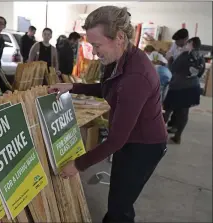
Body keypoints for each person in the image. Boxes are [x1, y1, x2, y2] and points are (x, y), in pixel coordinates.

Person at [48, 6, 167, 223]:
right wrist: (72, 87)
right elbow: (106, 89)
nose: (94, 51)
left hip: (144, 145)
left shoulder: (136, 76)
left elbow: (115, 141)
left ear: (119, 37)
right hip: (129, 140)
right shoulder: (120, 59)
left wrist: (78, 165)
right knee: (119, 197)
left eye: (97, 45)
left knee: (119, 206)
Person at [163, 37, 205, 144]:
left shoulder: (185, 55)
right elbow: (200, 73)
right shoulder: (201, 57)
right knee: (184, 113)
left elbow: (173, 68)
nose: (185, 46)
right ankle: (178, 136)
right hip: (193, 88)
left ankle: (157, 133)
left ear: (191, 44)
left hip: (178, 87)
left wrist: (170, 58)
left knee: (167, 109)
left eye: (187, 43)